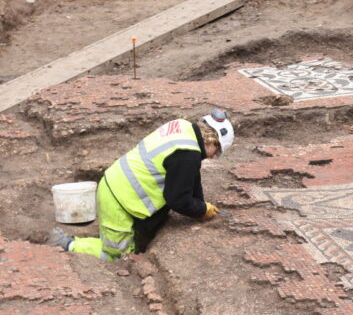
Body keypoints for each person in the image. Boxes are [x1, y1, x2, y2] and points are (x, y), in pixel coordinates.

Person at [47, 109, 234, 261]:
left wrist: (200, 203)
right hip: (119, 201)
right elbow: (177, 199)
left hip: (116, 184)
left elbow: (191, 176)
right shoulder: (188, 155)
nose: (212, 157)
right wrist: (200, 209)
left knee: (123, 243)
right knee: (120, 255)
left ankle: (84, 241)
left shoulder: (183, 128)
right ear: (213, 141)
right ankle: (67, 243)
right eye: (216, 152)